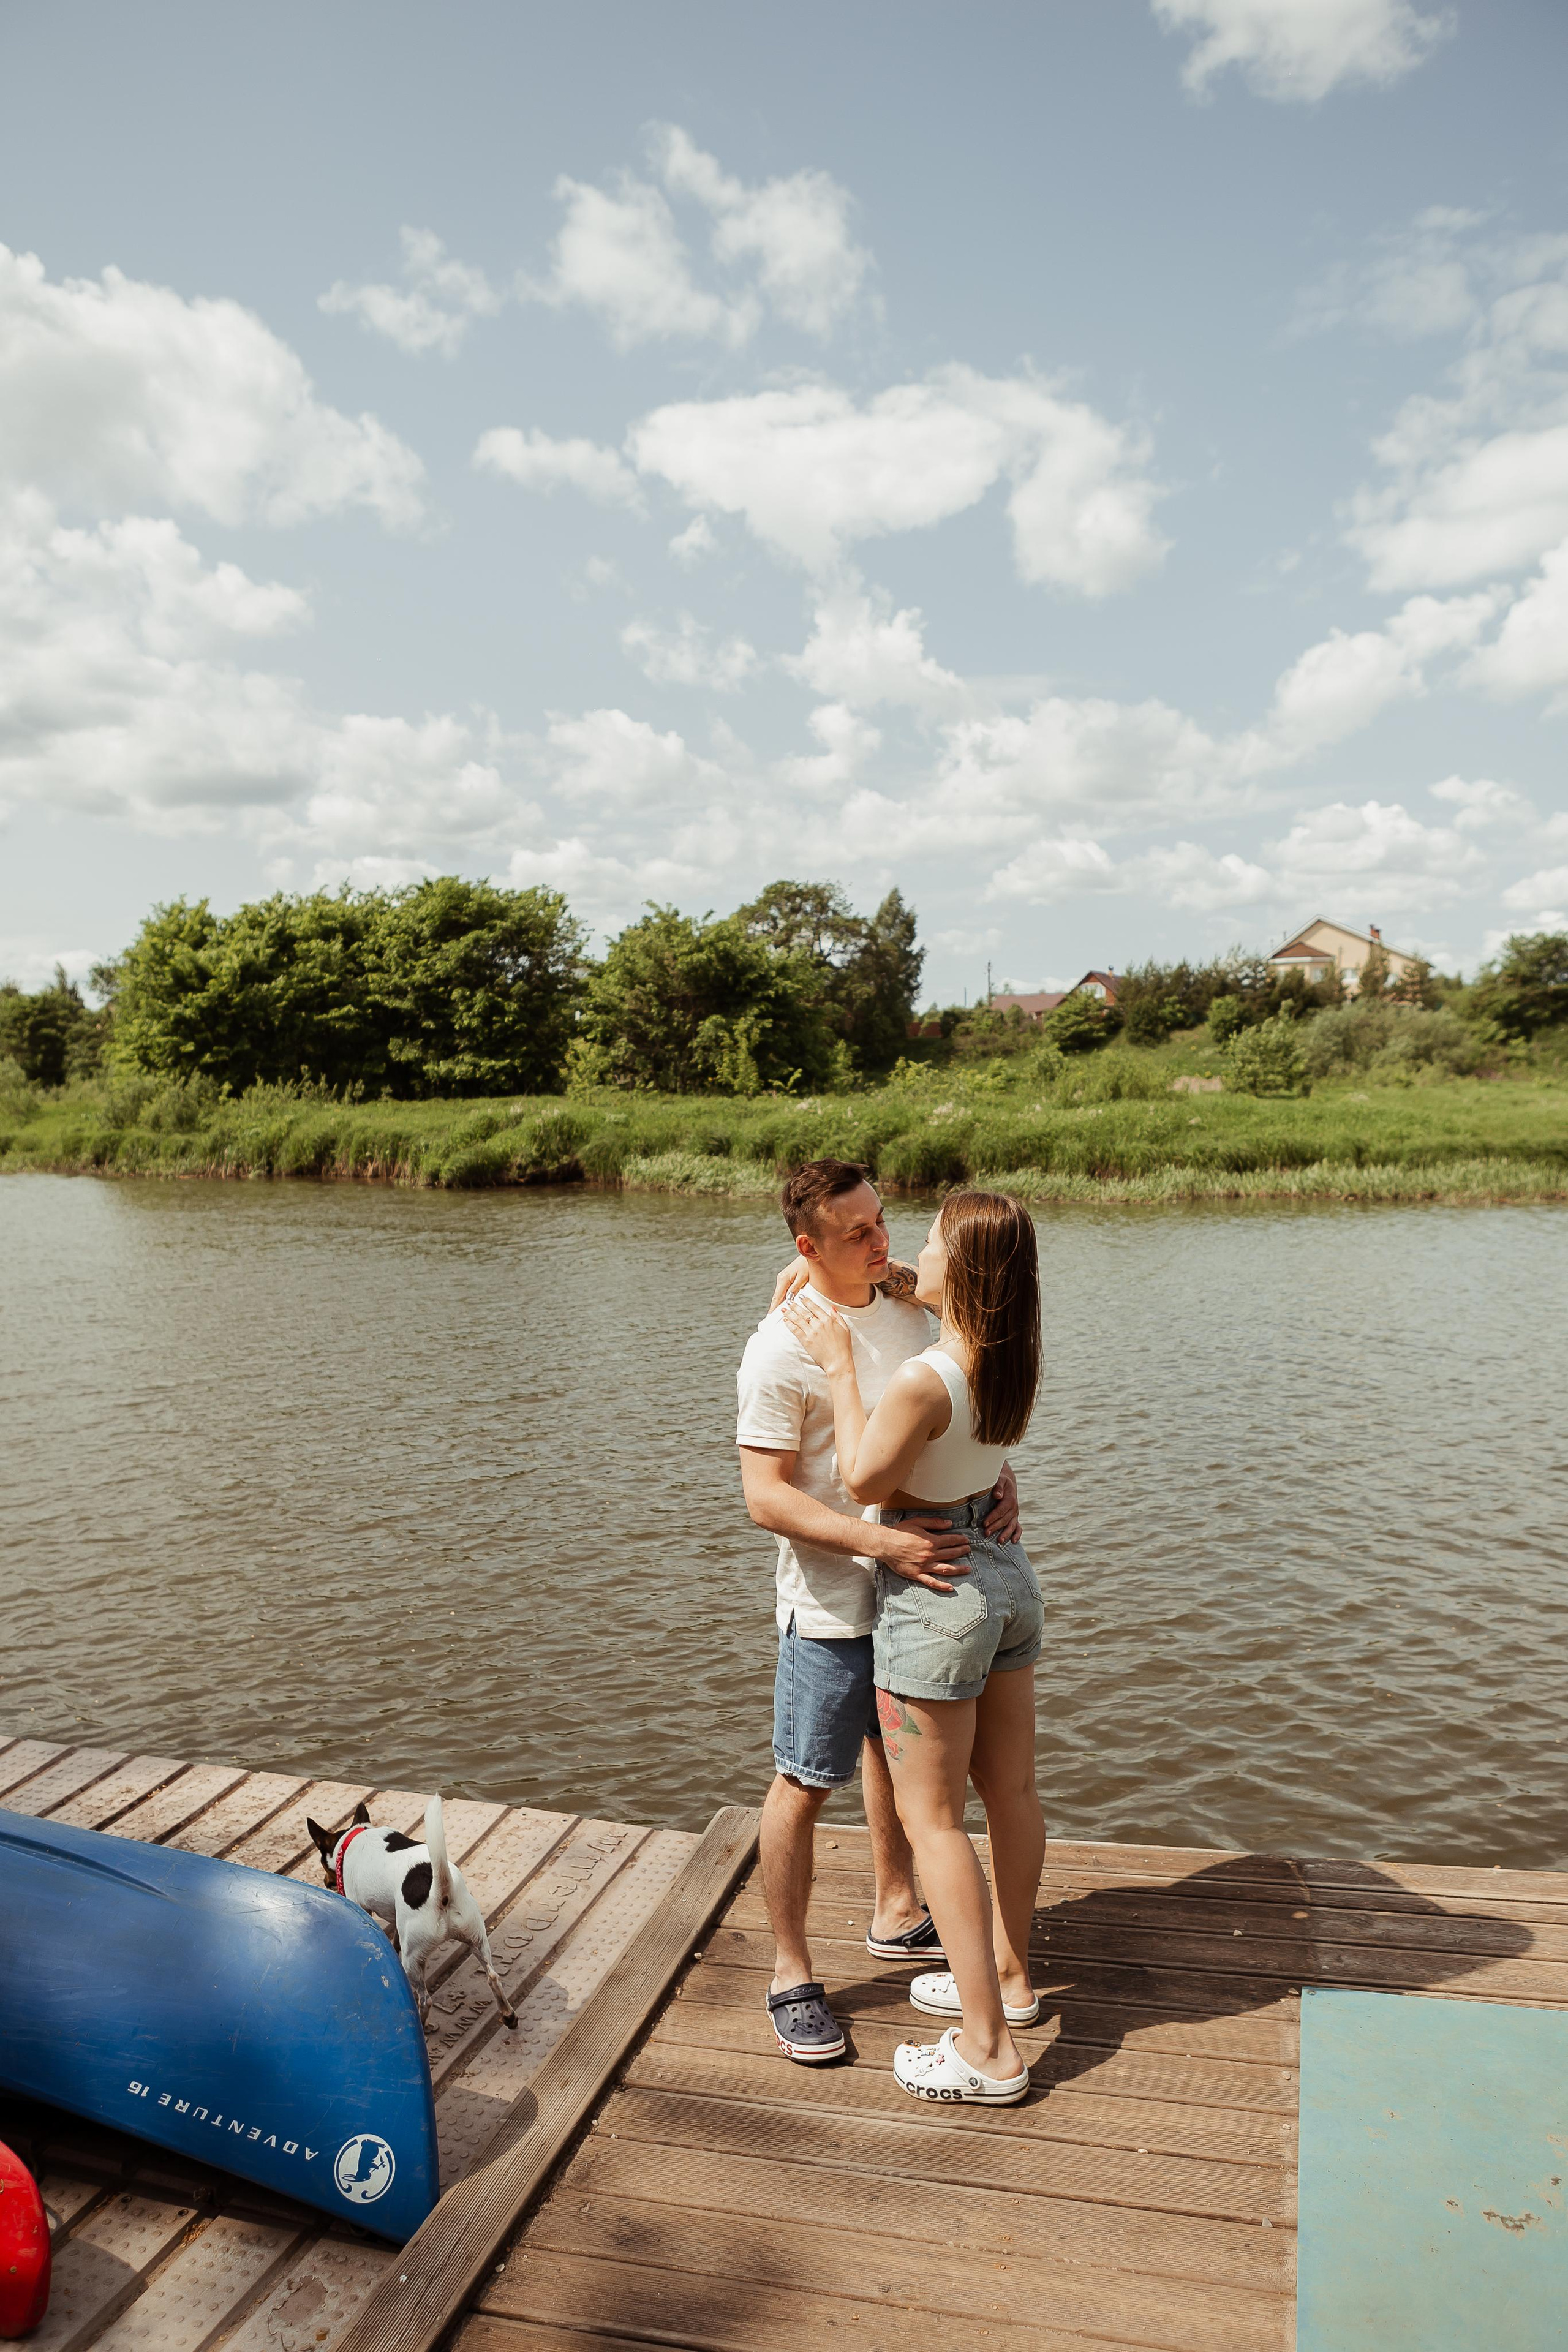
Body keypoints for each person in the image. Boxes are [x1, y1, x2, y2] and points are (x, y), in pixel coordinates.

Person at [736, 1159, 1022, 2064]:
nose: (882, 1242)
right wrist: (883, 1544)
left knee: (892, 1762)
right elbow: (764, 1499)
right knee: (804, 1777)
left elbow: (965, 1391)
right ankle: (790, 1972)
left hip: (925, 1598)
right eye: (856, 1233)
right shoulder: (780, 1346)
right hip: (835, 1600)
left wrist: (996, 1474)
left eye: (884, 1222)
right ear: (806, 1246)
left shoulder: (907, 1301)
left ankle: (897, 1910)